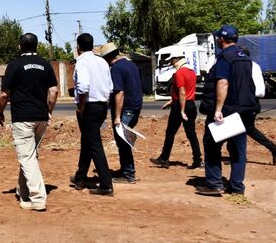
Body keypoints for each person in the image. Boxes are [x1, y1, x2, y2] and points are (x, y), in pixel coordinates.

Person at [0, 33, 59, 211]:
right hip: (41, 117)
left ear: (19, 46)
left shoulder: (14, 65)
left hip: (22, 118)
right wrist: (49, 111)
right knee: (31, 155)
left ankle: (37, 198)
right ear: (37, 46)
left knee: (27, 157)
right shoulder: (45, 64)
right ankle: (23, 192)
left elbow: (4, 94)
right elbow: (53, 91)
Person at [196, 24, 259, 196]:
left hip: (228, 110)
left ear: (222, 39)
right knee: (238, 149)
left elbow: (223, 83)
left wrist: (218, 109)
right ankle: (237, 187)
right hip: (245, 109)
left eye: (218, 37)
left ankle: (214, 184)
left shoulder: (225, 57)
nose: (217, 40)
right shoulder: (244, 57)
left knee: (211, 145)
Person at [69, 33, 114, 196]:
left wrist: (81, 107)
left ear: (78, 47)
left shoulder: (82, 62)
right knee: (87, 141)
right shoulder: (102, 61)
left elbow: (83, 87)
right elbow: (110, 87)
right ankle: (80, 178)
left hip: (89, 106)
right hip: (101, 105)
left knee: (94, 144)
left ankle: (106, 185)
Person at [150, 47, 203, 169]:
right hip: (190, 105)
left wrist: (181, 110)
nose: (171, 64)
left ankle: (164, 159)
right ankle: (198, 160)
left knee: (170, 133)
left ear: (177, 59)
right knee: (191, 134)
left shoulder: (180, 73)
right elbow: (187, 92)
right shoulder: (192, 72)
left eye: (172, 61)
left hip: (181, 106)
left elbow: (182, 92)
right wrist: (171, 101)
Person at [99, 42, 143, 184]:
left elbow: (119, 93)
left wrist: (117, 116)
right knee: (123, 140)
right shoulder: (131, 65)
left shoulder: (116, 69)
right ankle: (125, 170)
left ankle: (128, 174)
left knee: (123, 141)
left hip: (126, 110)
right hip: (135, 107)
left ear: (107, 58)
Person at [240, 47, 276, 165]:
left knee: (242, 129)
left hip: (247, 102)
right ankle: (273, 149)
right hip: (253, 102)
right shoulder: (255, 65)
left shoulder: (245, 66)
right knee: (245, 129)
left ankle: (273, 148)